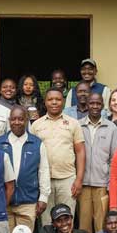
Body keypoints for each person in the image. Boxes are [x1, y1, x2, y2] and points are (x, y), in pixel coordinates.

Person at [31, 88, 85, 224]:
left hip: (68, 180)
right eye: (50, 99)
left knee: (66, 220)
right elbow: (31, 154)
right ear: (45, 102)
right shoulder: (36, 125)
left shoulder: (73, 123)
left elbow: (80, 151)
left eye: (58, 99)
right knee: (47, 221)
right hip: (44, 181)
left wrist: (79, 179)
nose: (54, 102)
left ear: (63, 102)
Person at [0, 105, 50, 232]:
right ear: (9, 121)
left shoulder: (37, 143)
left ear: (26, 121)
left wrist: (43, 197)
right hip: (4, 202)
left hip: (28, 202)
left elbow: (43, 171)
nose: (17, 122)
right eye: (13, 119)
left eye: (20, 119)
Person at [78, 92, 117, 233]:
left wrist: (110, 184)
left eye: (98, 103)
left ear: (102, 106)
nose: (95, 106)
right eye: (92, 103)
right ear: (87, 105)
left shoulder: (111, 127)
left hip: (102, 184)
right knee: (84, 225)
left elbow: (114, 158)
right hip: (82, 185)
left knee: (101, 225)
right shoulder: (78, 126)